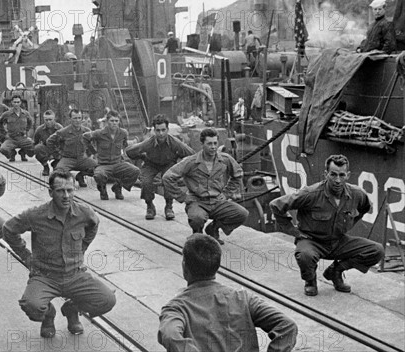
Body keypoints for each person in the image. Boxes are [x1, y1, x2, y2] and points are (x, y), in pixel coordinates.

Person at [2, 169, 116, 338]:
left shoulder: (84, 213)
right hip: (45, 276)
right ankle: (48, 315)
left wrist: (82, 247)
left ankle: (72, 309)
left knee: (107, 300)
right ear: (50, 192)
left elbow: (93, 225)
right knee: (32, 306)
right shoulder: (36, 215)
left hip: (75, 275)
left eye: (70, 190)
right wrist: (26, 256)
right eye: (60, 191)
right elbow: (9, 229)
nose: (66, 196)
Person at [158, 233, 298, 352]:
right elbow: (287, 326)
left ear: (185, 267)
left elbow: (170, 335)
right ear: (217, 265)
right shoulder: (243, 298)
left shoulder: (176, 308)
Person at [269, 154, 384, 296]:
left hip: (338, 241)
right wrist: (293, 231)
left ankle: (336, 271)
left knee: (376, 250)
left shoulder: (357, 194)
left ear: (347, 175)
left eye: (342, 175)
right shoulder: (311, 193)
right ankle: (310, 280)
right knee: (305, 256)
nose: (337, 180)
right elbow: (276, 205)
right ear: (326, 174)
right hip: (312, 241)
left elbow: (365, 207)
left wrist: (350, 224)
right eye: (333, 174)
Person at [163, 128, 248, 244]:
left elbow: (238, 174)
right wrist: (182, 197)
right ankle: (197, 235)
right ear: (202, 144)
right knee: (197, 219)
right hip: (197, 202)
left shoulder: (225, 160)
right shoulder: (191, 162)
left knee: (241, 214)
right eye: (209, 143)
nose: (213, 147)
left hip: (217, 201)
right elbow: (168, 177)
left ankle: (213, 228)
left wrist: (227, 193)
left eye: (215, 143)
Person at [126, 114, 194, 220]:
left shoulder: (175, 142)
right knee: (146, 182)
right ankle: (150, 206)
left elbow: (191, 154)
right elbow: (130, 151)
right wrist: (142, 156)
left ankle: (169, 206)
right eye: (158, 130)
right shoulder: (148, 143)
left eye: (163, 130)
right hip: (151, 164)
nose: (161, 133)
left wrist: (180, 163)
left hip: (168, 164)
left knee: (168, 178)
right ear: (154, 130)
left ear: (167, 129)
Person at [82, 109, 140, 200]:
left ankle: (118, 186)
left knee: (135, 171)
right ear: (107, 122)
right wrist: (93, 152)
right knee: (98, 175)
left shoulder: (123, 133)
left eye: (116, 121)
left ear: (119, 121)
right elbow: (85, 137)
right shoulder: (99, 133)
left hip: (118, 163)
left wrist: (124, 154)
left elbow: (124, 144)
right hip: (103, 165)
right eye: (112, 121)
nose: (114, 123)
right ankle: (102, 190)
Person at [47, 109, 97, 188]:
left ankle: (81, 176)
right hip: (68, 159)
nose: (77, 120)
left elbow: (92, 143)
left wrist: (93, 154)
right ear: (70, 119)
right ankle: (63, 171)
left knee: (100, 168)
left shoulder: (86, 131)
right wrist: (57, 155)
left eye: (79, 118)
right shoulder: (64, 132)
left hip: (82, 159)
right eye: (75, 118)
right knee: (57, 174)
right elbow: (50, 141)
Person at [0, 94, 35, 161]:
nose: (16, 104)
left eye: (18, 102)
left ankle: (23, 152)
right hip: (11, 138)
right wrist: (4, 132)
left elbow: (30, 122)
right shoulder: (7, 114)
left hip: (23, 137)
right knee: (3, 149)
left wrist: (27, 130)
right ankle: (12, 153)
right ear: (11, 103)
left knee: (35, 148)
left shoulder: (25, 113)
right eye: (14, 102)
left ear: (20, 103)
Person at [34, 110, 63, 176]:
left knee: (58, 172)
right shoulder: (39, 129)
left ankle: (56, 164)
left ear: (54, 119)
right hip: (46, 149)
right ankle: (45, 167)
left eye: (50, 119)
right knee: (37, 148)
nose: (48, 122)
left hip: (57, 151)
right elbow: (35, 142)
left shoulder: (60, 128)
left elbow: (65, 143)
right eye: (46, 120)